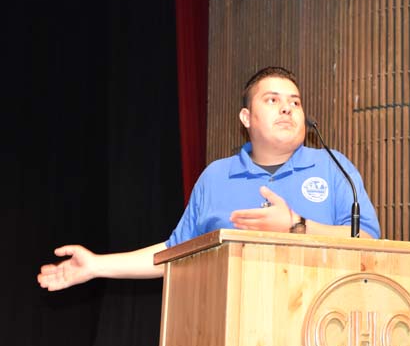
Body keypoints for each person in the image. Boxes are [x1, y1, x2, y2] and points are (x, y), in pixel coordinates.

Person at [38, 66, 381, 291]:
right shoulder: (216, 177)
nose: (287, 108)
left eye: (295, 102)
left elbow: (368, 241)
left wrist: (296, 225)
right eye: (272, 100)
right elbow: (177, 252)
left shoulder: (334, 167)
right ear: (246, 117)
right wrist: (98, 265)